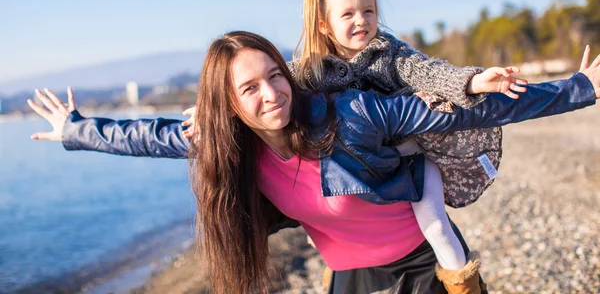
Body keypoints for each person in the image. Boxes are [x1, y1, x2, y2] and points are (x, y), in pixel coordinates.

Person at [28, 31, 600, 294]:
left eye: (275, 75)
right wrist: (75, 130)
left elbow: (465, 114)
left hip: (425, 263)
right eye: (249, 89)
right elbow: (150, 137)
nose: (271, 93)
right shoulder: (230, 143)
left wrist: (580, 89)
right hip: (349, 273)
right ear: (228, 103)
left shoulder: (352, 114)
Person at [181, 0, 527, 290]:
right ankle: (338, 272)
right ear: (324, 25)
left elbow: (432, 72)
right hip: (362, 164)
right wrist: (209, 109)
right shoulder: (313, 69)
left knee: (436, 225)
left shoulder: (392, 55)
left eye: (369, 11)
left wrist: (474, 80)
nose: (361, 21)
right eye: (347, 14)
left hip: (412, 155)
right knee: (331, 224)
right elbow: (263, 75)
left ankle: (462, 285)